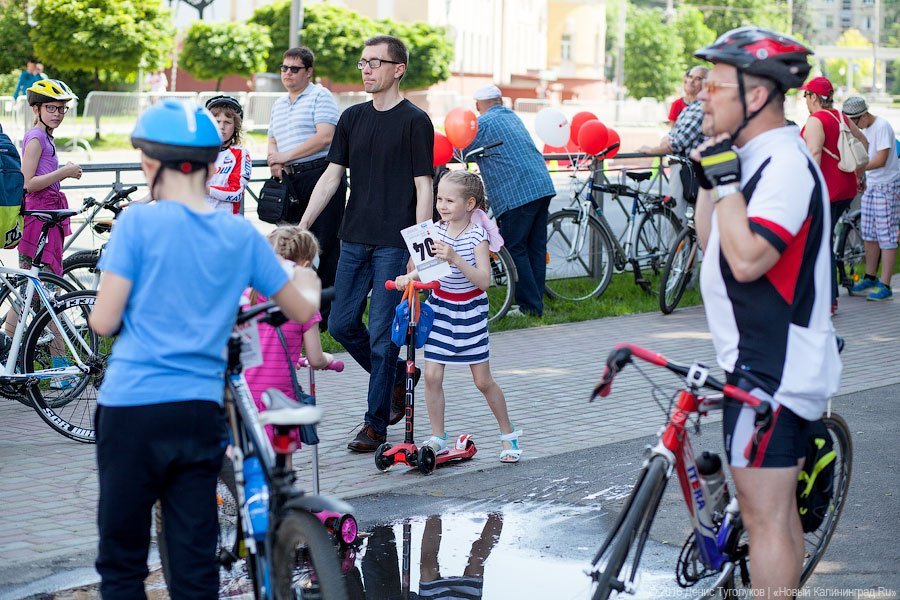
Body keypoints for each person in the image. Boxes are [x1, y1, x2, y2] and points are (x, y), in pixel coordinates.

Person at [88, 99, 321, 598]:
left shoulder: (136, 224)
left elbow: (104, 321)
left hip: (131, 408)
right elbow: (300, 308)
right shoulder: (239, 234)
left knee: (122, 562)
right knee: (194, 563)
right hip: (197, 410)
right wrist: (307, 276)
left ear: (152, 163)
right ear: (213, 163)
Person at [690, 28, 842, 598]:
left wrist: (725, 181)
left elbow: (750, 258)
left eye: (716, 87)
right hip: (755, 357)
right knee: (769, 515)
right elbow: (713, 242)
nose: (702, 96)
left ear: (756, 95)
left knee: (767, 519)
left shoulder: (784, 163)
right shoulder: (754, 154)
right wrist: (710, 179)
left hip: (774, 367)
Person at [298, 35, 434, 452]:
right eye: (363, 63)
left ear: (398, 69)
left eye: (375, 62)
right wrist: (303, 226)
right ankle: (394, 379)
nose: (366, 69)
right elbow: (331, 177)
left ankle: (375, 425)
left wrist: (420, 251)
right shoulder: (352, 117)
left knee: (380, 336)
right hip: (353, 237)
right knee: (340, 324)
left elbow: (424, 187)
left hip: (395, 243)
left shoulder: (415, 121)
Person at [394, 170, 522, 463]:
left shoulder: (477, 236)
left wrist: (454, 257)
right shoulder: (434, 231)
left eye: (450, 200)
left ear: (470, 204)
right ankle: (438, 436)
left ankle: (508, 432)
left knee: (482, 381)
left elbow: (483, 281)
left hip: (469, 313)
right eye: (439, 198)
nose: (442, 205)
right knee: (431, 375)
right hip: (440, 309)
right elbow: (426, 268)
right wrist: (407, 278)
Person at [268, 46, 346, 327]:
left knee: (323, 246)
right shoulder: (278, 103)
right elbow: (272, 138)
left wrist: (285, 156)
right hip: (291, 181)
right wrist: (274, 159)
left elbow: (325, 136)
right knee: (290, 243)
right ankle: (293, 309)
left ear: (309, 71)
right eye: (284, 68)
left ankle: (323, 316)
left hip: (320, 175)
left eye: (294, 68)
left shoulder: (320, 96)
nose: (287, 73)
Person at [463, 84, 556, 317]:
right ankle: (535, 304)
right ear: (500, 101)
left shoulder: (482, 124)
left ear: (478, 105)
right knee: (535, 248)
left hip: (517, 192)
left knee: (514, 247)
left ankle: (529, 306)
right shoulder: (511, 117)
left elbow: (460, 149)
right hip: (541, 184)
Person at [244, 226, 334, 467]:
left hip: (246, 392)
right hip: (280, 395)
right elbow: (315, 358)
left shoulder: (247, 296)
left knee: (248, 461)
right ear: (304, 266)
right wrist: (327, 359)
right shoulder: (304, 305)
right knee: (282, 464)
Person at [798, 76, 868, 313]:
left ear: (814, 97)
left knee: (819, 243)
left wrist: (807, 189)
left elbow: (814, 154)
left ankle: (826, 300)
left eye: (806, 95)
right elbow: (863, 143)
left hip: (826, 192)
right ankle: (827, 298)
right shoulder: (841, 116)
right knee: (823, 239)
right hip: (845, 189)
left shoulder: (816, 120)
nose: (805, 100)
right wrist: (859, 176)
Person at [19, 79, 81, 277]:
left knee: (38, 287)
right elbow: (28, 184)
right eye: (51, 108)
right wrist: (64, 172)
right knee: (42, 284)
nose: (57, 114)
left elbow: (43, 179)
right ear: (36, 109)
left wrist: (64, 174)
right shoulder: (36, 138)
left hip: (48, 214)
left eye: (62, 109)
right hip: (38, 217)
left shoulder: (45, 136)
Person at [842, 96, 900, 301]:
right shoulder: (863, 128)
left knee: (887, 235)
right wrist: (861, 177)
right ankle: (870, 277)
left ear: (864, 115)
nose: (854, 126)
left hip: (887, 186)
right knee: (869, 233)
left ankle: (886, 284)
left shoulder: (882, 126)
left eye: (854, 121)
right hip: (872, 185)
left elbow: (881, 160)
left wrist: (856, 168)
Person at [639, 66, 709, 216]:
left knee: (679, 217)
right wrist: (667, 141)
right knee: (680, 217)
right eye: (690, 77)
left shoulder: (701, 109)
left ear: (706, 83)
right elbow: (670, 135)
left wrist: (650, 150)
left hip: (690, 169)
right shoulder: (688, 108)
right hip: (682, 168)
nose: (691, 81)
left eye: (698, 78)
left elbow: (676, 144)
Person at [205, 95, 251, 215]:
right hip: (198, 219)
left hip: (227, 220)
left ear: (235, 127)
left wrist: (205, 189)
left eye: (227, 122)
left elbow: (236, 193)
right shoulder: (199, 152)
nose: (221, 127)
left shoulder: (240, 153)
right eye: (217, 121)